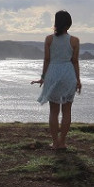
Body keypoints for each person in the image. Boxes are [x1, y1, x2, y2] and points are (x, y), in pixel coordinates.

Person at [30, 10, 82, 150]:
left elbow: (47, 59)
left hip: (53, 73)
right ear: (69, 24)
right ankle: (62, 142)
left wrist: (43, 77)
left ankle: (55, 142)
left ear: (56, 23)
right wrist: (78, 80)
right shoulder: (74, 41)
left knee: (53, 111)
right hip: (68, 74)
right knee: (67, 111)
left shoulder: (49, 39)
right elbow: (75, 61)